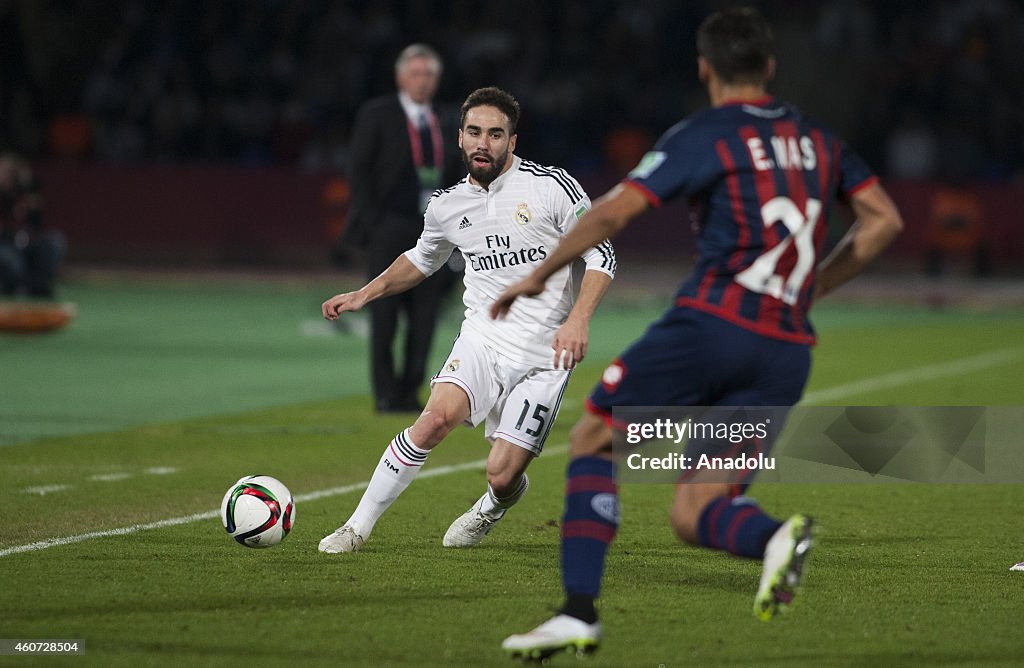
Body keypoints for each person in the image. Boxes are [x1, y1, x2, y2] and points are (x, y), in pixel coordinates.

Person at [494, 7, 903, 658]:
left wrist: (539, 274)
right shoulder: (820, 140)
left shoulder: (707, 133)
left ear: (704, 68)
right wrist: (812, 288)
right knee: (694, 512)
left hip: (713, 325)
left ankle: (578, 610)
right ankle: (773, 538)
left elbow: (616, 210)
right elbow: (883, 219)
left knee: (595, 432)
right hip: (785, 351)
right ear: (770, 67)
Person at [318, 87, 617, 554]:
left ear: (512, 141)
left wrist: (578, 319)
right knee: (433, 420)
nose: (484, 142)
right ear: (459, 137)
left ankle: (492, 506)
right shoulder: (446, 204)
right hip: (483, 337)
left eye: (496, 134)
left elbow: (603, 253)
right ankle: (356, 527)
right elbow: (422, 258)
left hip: (545, 353)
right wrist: (364, 293)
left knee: (501, 473)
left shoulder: (551, 186)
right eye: (475, 132)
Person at [342, 44, 465, 413]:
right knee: (384, 313)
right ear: (400, 77)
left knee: (424, 317)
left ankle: (410, 392)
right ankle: (385, 393)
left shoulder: (446, 118)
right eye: (415, 74)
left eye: (428, 74)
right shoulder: (377, 114)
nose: (422, 81)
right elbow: (359, 170)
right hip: (391, 224)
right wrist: (374, 223)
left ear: (437, 79)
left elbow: (457, 170)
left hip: (434, 227)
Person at [0, 153, 65, 299]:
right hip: (6, 243)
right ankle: (19, 286)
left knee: (55, 241)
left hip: (28, 242)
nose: (4, 176)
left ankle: (40, 285)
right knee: (10, 258)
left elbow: (36, 218)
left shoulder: (22, 193)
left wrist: (26, 182)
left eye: (8, 172)